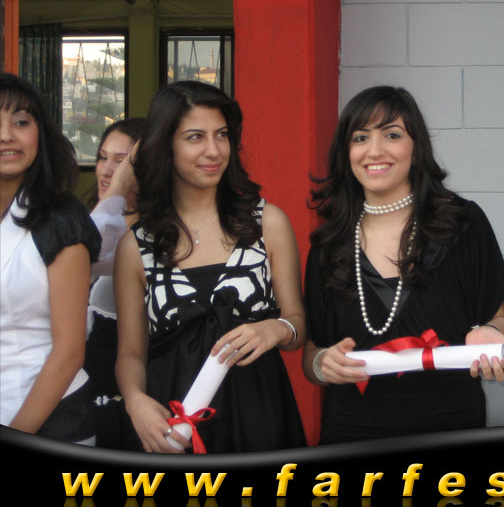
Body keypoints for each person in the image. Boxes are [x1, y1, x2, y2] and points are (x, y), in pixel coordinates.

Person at [302, 85, 504, 444]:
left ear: (417, 148)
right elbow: (313, 354)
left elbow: (503, 321)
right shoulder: (329, 244)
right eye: (361, 137)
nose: (375, 150)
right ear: (346, 152)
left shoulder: (461, 223)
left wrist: (492, 333)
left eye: (392, 135)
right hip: (351, 431)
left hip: (450, 424)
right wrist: (322, 364)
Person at [114, 81, 306, 453]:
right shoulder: (136, 247)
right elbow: (130, 353)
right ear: (166, 146)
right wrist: (135, 402)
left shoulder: (267, 223)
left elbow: (298, 324)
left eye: (221, 135)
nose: (214, 150)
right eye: (195, 137)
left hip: (260, 416)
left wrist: (276, 328)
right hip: (172, 426)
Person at [0, 73, 101, 443]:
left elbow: (69, 353)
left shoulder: (60, 219)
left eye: (20, 122)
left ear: (39, 133)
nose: (6, 135)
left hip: (52, 419)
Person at [84, 118, 145, 448]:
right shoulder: (83, 220)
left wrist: (118, 189)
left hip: (124, 401)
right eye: (102, 157)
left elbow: (93, 252)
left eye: (121, 162)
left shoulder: (153, 234)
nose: (107, 170)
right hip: (77, 392)